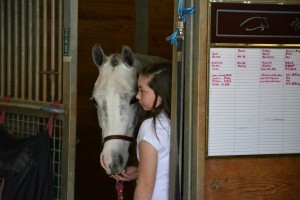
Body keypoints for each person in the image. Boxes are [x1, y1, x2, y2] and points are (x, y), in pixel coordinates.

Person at [111, 62, 172, 200]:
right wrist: (140, 171)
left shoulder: (151, 127)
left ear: (160, 95)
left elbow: (145, 187)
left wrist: (142, 176)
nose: (138, 96)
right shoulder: (171, 123)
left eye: (142, 90)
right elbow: (165, 169)